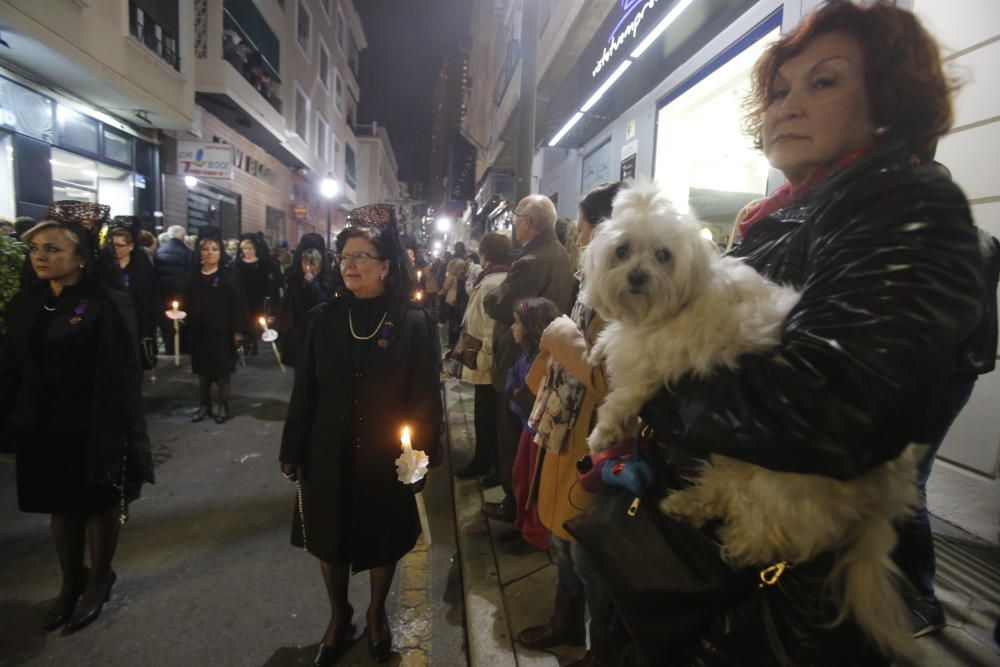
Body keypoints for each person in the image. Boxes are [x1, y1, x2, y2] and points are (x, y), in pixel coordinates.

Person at [608, 3, 985, 664]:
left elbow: (830, 410)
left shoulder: (904, 209)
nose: (788, 105)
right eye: (781, 89)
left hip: (783, 592)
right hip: (721, 562)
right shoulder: (786, 215)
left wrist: (654, 387)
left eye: (825, 82)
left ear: (886, 102)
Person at [279, 204, 442, 665]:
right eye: (344, 256)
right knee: (327, 534)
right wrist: (293, 447)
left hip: (383, 453)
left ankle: (375, 614)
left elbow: (425, 395)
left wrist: (422, 455)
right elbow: (305, 390)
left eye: (362, 256)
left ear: (386, 266)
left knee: (382, 535)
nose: (349, 264)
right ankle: (339, 613)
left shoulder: (413, 322)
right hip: (326, 450)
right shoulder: (324, 318)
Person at [0, 212, 154, 633]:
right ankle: (70, 582)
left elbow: (124, 373)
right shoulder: (28, 301)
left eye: (53, 248)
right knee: (59, 505)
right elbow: (11, 362)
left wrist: (120, 430)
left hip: (92, 421)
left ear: (82, 257)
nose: (40, 257)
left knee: (96, 503)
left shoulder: (107, 302)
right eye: (35, 248)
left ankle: (99, 577)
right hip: (41, 423)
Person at [517, 182, 620, 665]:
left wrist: (559, 334)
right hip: (567, 433)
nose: (577, 240)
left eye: (582, 230)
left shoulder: (626, 293)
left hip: (595, 444)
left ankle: (602, 647)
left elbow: (612, 377)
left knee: (585, 552)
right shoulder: (591, 285)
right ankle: (566, 622)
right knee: (563, 542)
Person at [482, 194, 575, 522]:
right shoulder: (561, 254)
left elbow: (498, 304)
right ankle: (523, 507)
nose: (513, 225)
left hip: (519, 358)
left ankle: (516, 507)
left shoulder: (530, 261)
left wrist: (494, 293)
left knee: (514, 439)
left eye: (516, 217)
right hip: (543, 356)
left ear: (528, 222)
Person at [454, 233, 512, 480]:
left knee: (485, 413)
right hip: (486, 355)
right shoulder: (495, 278)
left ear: (485, 253)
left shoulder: (491, 282)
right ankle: (487, 460)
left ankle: (484, 461)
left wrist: (486, 358)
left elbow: (490, 326)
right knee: (486, 412)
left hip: (485, 357)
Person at [506, 297, 560, 555]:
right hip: (528, 430)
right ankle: (523, 526)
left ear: (531, 327)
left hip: (538, 434)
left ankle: (535, 536)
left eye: (516, 323)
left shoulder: (543, 361)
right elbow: (513, 386)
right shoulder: (528, 356)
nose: (512, 328)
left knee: (533, 484)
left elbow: (524, 396)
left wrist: (516, 393)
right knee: (521, 478)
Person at [184, 227, 247, 423]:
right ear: (200, 252)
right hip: (199, 331)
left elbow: (238, 304)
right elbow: (185, 300)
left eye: (214, 249)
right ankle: (204, 404)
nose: (210, 253)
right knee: (202, 371)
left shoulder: (229, 275)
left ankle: (223, 405)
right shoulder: (193, 275)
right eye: (206, 249)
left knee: (222, 371)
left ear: (220, 252)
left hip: (222, 331)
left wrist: (238, 330)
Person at [108, 217, 159, 371]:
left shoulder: (140, 266)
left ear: (130, 246)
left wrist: (147, 328)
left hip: (135, 322)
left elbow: (148, 298)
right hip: (111, 323)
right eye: (112, 245)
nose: (115, 249)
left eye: (119, 245)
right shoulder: (106, 266)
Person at [276, 233, 333, 367]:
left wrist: (313, 282)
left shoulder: (325, 274)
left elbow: (324, 299)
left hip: (315, 327)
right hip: (298, 325)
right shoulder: (295, 275)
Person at [236, 233, 281, 355]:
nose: (247, 251)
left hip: (257, 295)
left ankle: (254, 342)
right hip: (243, 294)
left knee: (256, 319)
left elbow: (266, 279)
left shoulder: (261, 263)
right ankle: (246, 343)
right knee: (245, 319)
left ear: (254, 249)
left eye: (249, 248)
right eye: (245, 248)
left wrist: (268, 292)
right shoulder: (238, 264)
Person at [155, 225, 193, 355]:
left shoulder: (159, 251)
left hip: (163, 292)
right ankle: (181, 347)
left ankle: (170, 347)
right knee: (181, 320)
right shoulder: (187, 252)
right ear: (183, 237)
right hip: (181, 292)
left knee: (167, 321)